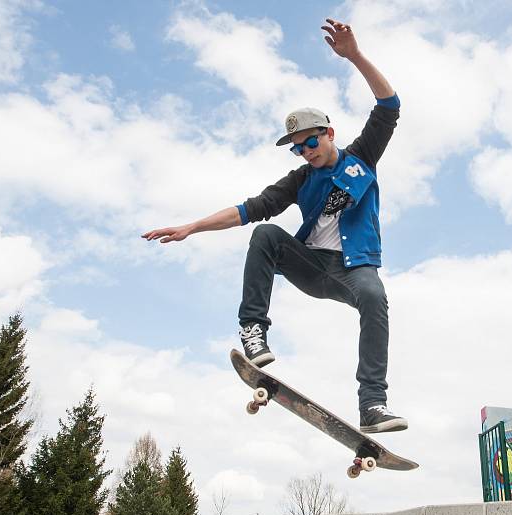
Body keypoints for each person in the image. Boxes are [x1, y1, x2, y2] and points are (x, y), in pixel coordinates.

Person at [142, 19, 407, 434]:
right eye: (298, 148)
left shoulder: (362, 157)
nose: (306, 152)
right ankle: (253, 330)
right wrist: (192, 227)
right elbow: (248, 210)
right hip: (311, 266)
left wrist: (354, 56)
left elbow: (389, 106)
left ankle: (372, 404)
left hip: (354, 270)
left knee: (375, 299)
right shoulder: (299, 180)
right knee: (264, 233)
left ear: (329, 133)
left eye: (311, 142)